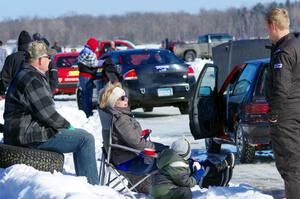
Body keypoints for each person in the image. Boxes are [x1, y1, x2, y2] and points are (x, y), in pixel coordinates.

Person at [3, 40, 98, 185]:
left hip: (20, 132)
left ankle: (86, 184)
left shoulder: (25, 73)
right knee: (85, 139)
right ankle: (93, 188)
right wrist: (67, 126)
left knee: (80, 136)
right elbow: (48, 114)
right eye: (49, 58)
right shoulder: (32, 78)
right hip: (27, 135)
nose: (51, 61)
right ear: (40, 60)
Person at [99, 82, 167, 193]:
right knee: (166, 157)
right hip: (128, 162)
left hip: (123, 157)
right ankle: (172, 189)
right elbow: (137, 143)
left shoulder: (117, 115)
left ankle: (148, 187)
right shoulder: (121, 119)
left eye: (125, 96)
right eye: (122, 98)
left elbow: (129, 138)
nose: (126, 99)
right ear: (114, 102)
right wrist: (157, 147)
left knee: (163, 151)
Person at [265, 8, 300, 199]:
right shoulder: (296, 44)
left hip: (286, 117)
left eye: (267, 29)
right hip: (297, 110)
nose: (267, 33)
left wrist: (274, 115)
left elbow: (281, 88)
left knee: (290, 166)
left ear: (272, 25)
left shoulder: (284, 52)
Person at [150, 138, 235, 199]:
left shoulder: (170, 157)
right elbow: (187, 182)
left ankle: (218, 170)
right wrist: (197, 174)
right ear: (186, 152)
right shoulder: (176, 164)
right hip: (164, 192)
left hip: (163, 187)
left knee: (195, 164)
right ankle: (217, 177)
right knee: (186, 191)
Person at [0, 30, 32, 100]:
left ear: (19, 44)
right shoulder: (34, 58)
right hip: (32, 93)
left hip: (14, 94)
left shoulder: (11, 58)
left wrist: (2, 92)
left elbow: (5, 77)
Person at [78, 37, 102, 117]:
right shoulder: (90, 53)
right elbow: (94, 64)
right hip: (87, 76)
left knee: (84, 94)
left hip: (82, 76)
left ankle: (85, 111)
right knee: (88, 95)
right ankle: (88, 113)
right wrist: (102, 62)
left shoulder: (83, 50)